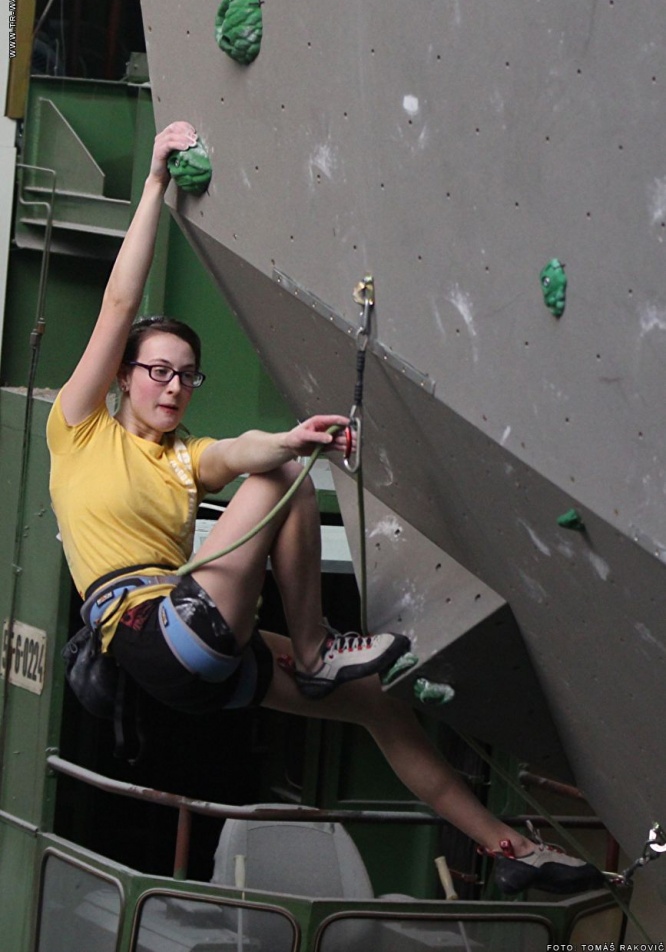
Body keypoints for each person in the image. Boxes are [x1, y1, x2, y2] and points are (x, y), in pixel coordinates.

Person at [47, 121, 604, 897]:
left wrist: (290, 436)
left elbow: (238, 451)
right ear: (123, 377)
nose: (174, 387)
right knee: (284, 480)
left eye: (188, 376)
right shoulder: (80, 430)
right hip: (158, 634)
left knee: (380, 707)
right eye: (159, 371)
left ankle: (510, 849)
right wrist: (155, 183)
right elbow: (118, 305)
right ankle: (313, 647)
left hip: (201, 656)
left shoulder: (182, 460)